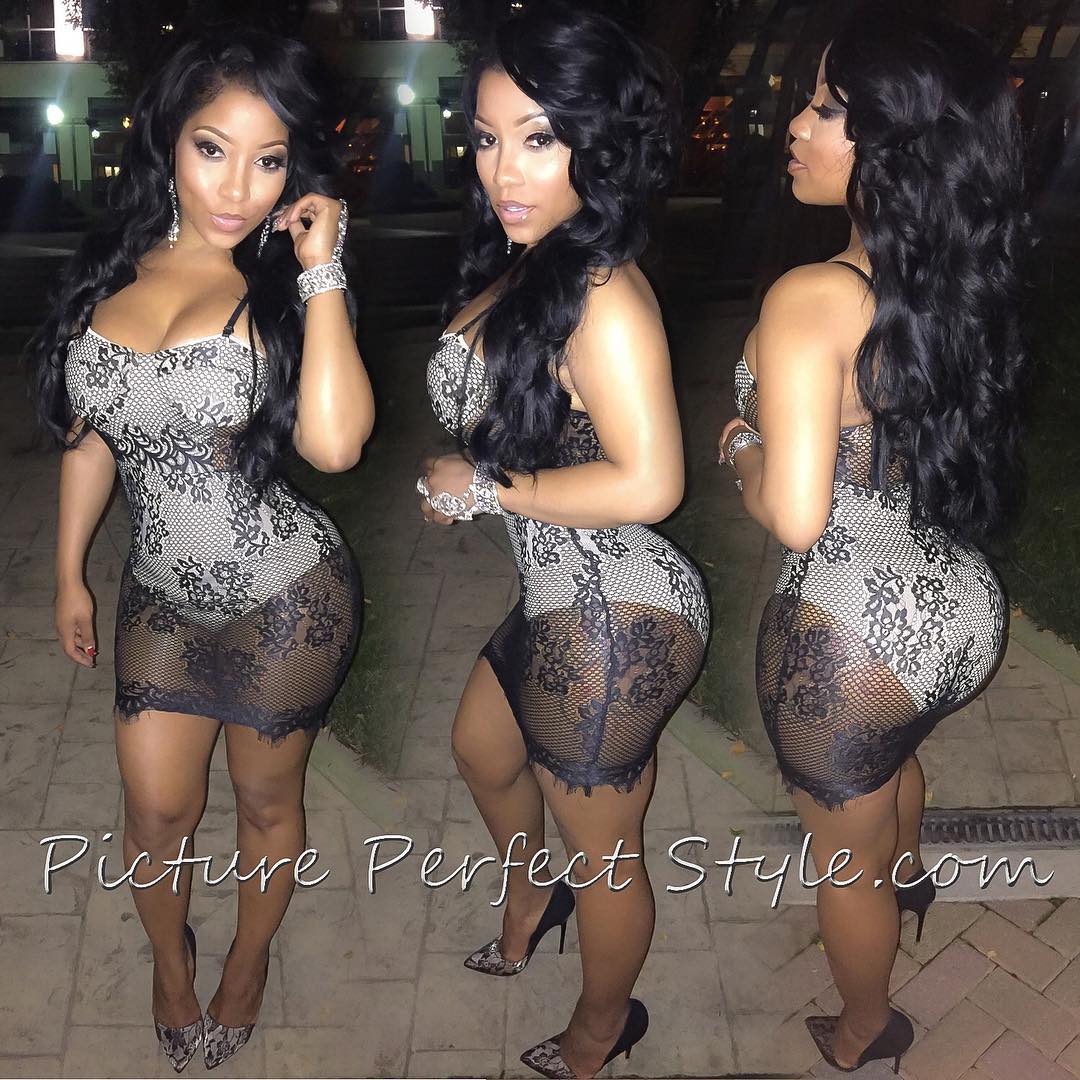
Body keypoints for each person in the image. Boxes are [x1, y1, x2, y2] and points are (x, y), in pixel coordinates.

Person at [24, 23, 373, 1073]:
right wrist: (69, 572)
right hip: (161, 597)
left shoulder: (283, 282)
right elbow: (92, 437)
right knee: (155, 811)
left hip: (289, 597)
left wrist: (324, 270)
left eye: (270, 160)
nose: (238, 187)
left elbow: (335, 444)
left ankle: (247, 965)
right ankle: (171, 972)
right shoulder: (108, 269)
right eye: (213, 148)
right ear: (167, 137)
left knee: (266, 802)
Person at [719, 5, 1027, 1073]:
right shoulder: (954, 275)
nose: (796, 124)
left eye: (827, 107)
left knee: (838, 859)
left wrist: (741, 447)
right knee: (894, 763)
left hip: (855, 636)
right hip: (961, 608)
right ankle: (907, 878)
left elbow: (796, 512)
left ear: (891, 144)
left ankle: (866, 1027)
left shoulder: (814, 296)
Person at [416, 4, 709, 1077]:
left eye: (539, 138)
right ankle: (531, 894)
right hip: (556, 590)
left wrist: (488, 486)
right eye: (488, 137)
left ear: (599, 138)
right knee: (481, 750)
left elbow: (653, 482)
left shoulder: (603, 294)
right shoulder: (529, 259)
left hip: (617, 615)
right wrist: (481, 484)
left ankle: (601, 1029)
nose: (505, 169)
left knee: (607, 854)